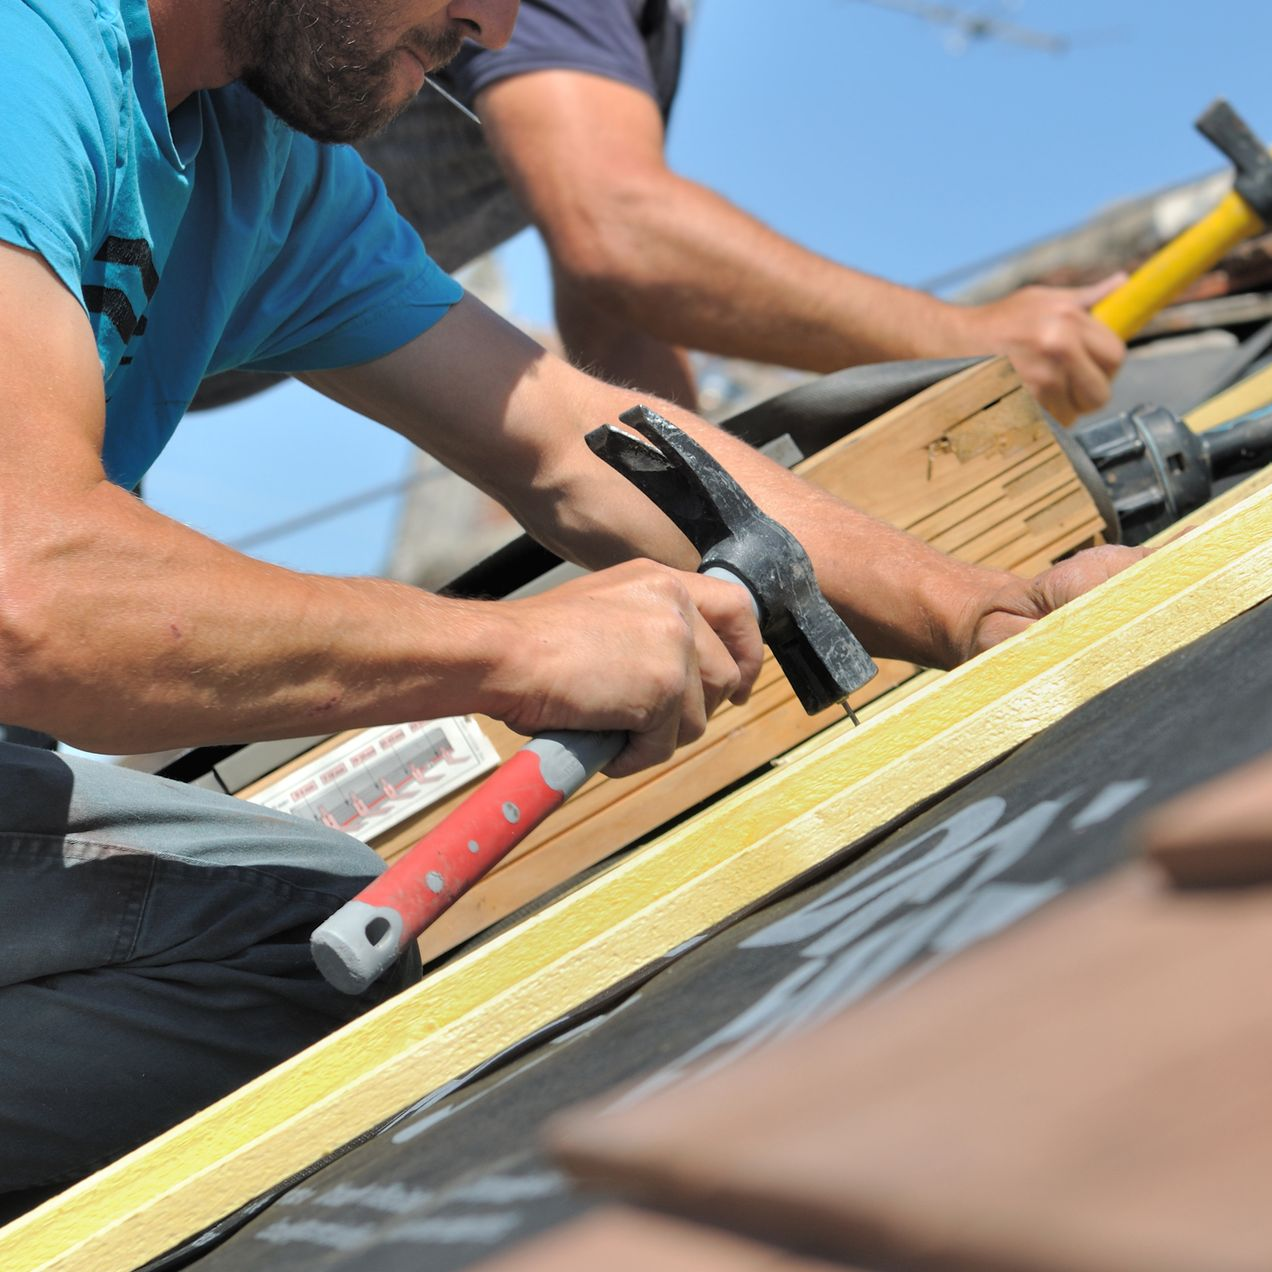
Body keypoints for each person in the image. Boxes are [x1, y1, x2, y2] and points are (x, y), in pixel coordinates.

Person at [0, 0, 1137, 1208]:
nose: (493, 24)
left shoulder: (266, 173)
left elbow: (569, 444)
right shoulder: (33, 53)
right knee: (299, 936)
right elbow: (32, 590)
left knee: (312, 948)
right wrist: (518, 649)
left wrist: (988, 609)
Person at [354, 0, 1127, 422]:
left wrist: (720, 520)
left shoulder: (645, 29)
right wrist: (968, 342)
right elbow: (620, 230)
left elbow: (615, 316)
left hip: (251, 324)